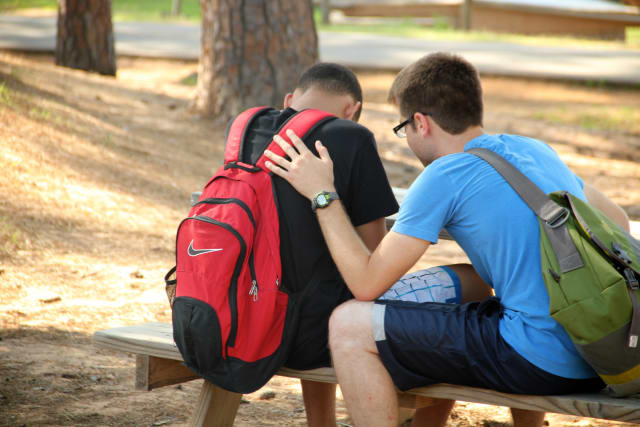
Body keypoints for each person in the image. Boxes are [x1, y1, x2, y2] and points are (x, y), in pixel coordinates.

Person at [263, 52, 631, 427]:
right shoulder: (534, 149)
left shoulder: (446, 174)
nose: (405, 137)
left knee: (349, 324)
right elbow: (617, 220)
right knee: (471, 283)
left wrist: (322, 194)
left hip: (537, 360)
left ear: (420, 123)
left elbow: (365, 283)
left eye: (402, 127)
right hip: (598, 351)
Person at [234, 62, 399, 427]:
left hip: (243, 319)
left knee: (314, 271)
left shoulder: (247, 127)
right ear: (351, 110)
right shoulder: (352, 137)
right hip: (310, 335)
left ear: (290, 100)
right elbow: (374, 258)